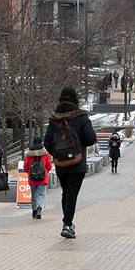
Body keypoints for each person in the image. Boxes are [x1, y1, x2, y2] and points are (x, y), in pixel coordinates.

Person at [44, 87, 97, 239]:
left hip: (61, 163)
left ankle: (67, 222)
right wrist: (78, 146)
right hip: (77, 163)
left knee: (66, 192)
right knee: (72, 193)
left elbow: (47, 142)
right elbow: (91, 138)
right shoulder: (81, 118)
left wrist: (59, 153)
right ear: (75, 99)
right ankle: (67, 224)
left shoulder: (54, 119)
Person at [24, 136, 53, 219]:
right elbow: (49, 166)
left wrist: (30, 173)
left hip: (32, 178)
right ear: (41, 143)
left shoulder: (28, 154)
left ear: (33, 143)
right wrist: (45, 172)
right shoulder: (45, 154)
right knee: (40, 194)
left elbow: (25, 167)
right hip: (42, 178)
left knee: (33, 195)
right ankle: (39, 207)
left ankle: (34, 210)